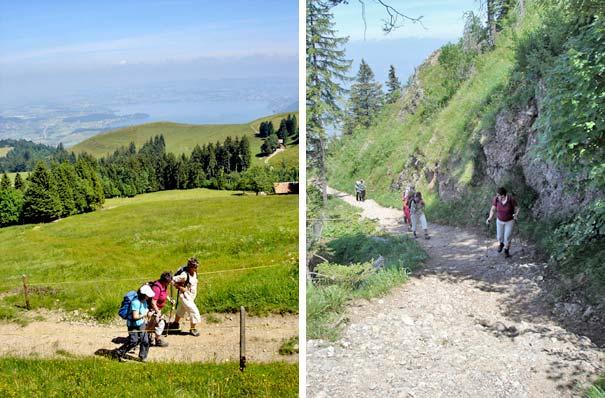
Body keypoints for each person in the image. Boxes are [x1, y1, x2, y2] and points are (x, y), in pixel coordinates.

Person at [115, 284, 155, 362]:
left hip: (141, 324)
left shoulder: (144, 301)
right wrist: (146, 314)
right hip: (132, 325)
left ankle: (142, 357)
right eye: (148, 295)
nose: (149, 297)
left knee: (145, 340)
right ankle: (119, 353)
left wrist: (148, 314)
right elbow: (135, 316)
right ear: (143, 295)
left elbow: (144, 310)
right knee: (133, 341)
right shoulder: (135, 302)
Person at [171, 257, 202, 336]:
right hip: (185, 296)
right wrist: (180, 287)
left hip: (191, 296)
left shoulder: (194, 272)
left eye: (197, 266)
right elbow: (172, 280)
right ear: (190, 267)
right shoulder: (184, 275)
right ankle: (192, 329)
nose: (197, 268)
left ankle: (175, 324)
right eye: (195, 266)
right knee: (194, 311)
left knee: (182, 309)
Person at [486, 187, 519, 258]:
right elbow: (493, 209)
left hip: (509, 221)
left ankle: (506, 251)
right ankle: (501, 244)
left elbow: (517, 208)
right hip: (499, 221)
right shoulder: (496, 199)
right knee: (499, 236)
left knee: (507, 237)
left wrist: (516, 214)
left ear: (503, 195)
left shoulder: (511, 199)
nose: (497, 197)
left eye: (498, 195)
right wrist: (490, 218)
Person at [146, 272, 175, 347]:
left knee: (152, 324)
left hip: (157, 309)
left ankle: (147, 338)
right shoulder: (156, 288)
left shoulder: (163, 285)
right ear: (165, 281)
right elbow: (153, 302)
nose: (169, 283)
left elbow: (164, 294)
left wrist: (169, 299)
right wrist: (158, 312)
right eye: (169, 282)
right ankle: (156, 340)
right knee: (160, 323)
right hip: (152, 309)